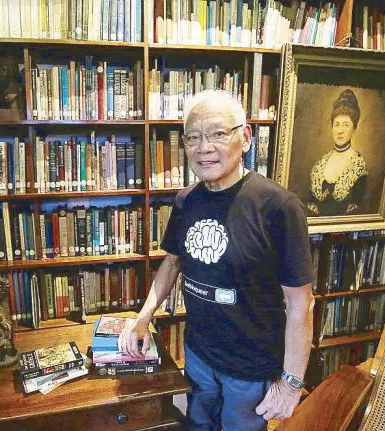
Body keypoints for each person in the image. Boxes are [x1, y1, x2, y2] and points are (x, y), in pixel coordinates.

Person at [118, 89, 314, 431]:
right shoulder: (185, 201)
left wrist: (292, 383)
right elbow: (171, 264)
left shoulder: (279, 207)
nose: (203, 147)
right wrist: (142, 318)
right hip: (198, 355)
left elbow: (301, 305)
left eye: (218, 134)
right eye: (193, 137)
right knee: (197, 425)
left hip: (250, 370)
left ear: (246, 137)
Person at [308, 88, 368, 216]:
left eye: (346, 125)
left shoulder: (358, 164)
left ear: (354, 129)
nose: (340, 130)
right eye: (337, 124)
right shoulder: (320, 164)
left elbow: (358, 207)